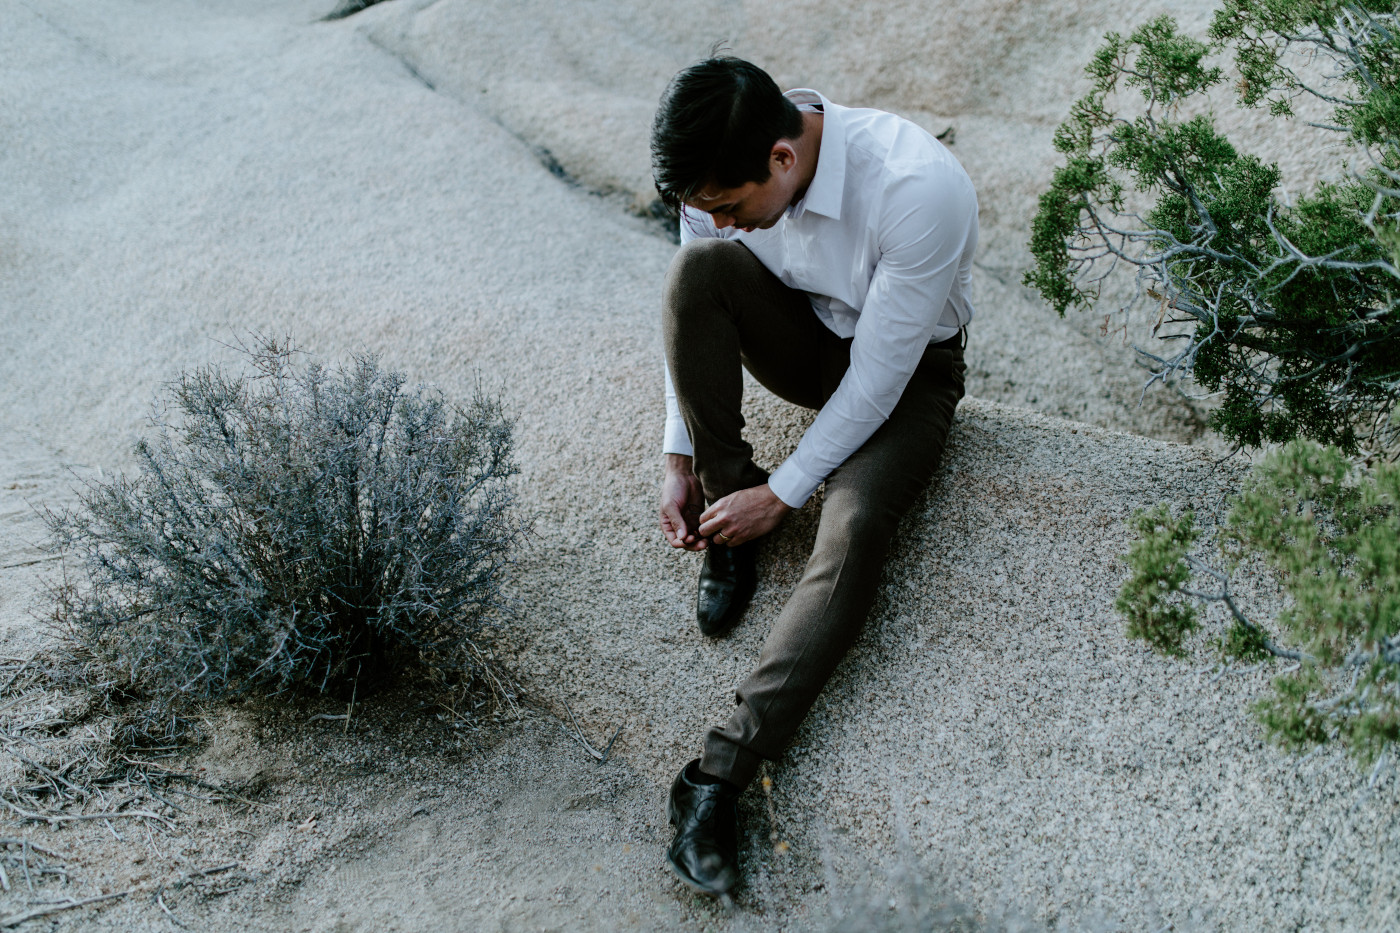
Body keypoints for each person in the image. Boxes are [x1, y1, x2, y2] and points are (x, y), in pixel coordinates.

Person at [650, 55, 978, 896]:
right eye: (707, 209)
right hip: (804, 335)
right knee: (697, 274)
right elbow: (701, 282)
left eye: (731, 206)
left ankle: (714, 780)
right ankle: (730, 513)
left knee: (855, 524)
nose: (724, 220)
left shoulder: (917, 188)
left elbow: (874, 381)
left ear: (783, 160)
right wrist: (678, 448)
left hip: (907, 375)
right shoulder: (727, 182)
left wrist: (788, 490)